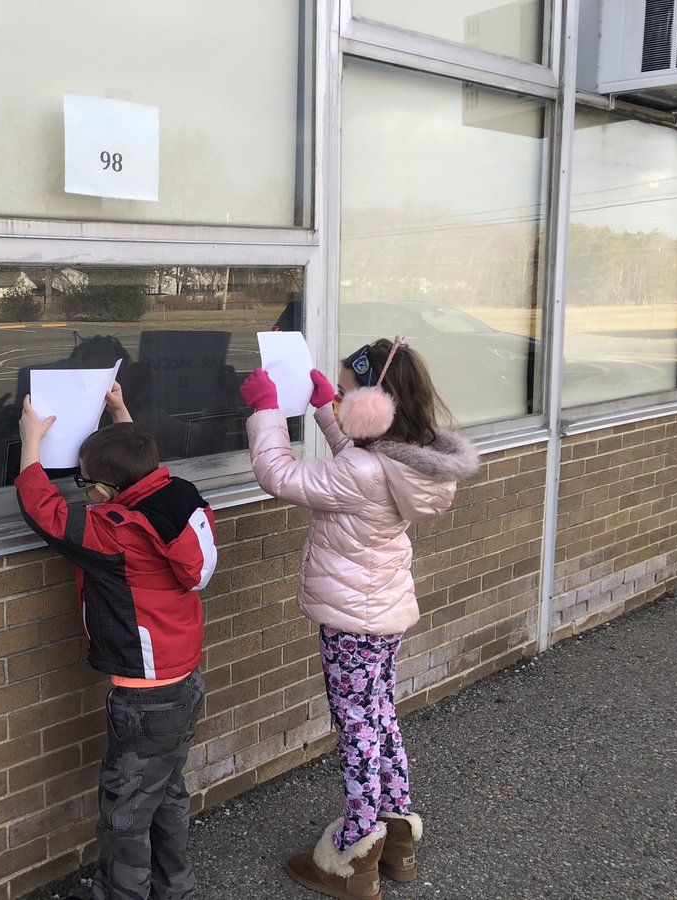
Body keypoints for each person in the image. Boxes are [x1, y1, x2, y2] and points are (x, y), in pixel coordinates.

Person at [240, 338, 479, 900]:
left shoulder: (364, 471)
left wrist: (265, 410)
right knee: (378, 717)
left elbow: (280, 475)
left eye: (347, 395)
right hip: (384, 613)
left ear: (376, 405)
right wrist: (326, 409)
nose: (342, 404)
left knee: (356, 731)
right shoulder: (404, 459)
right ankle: (396, 837)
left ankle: (354, 855)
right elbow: (360, 453)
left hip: (352, 622)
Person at [15, 382, 217, 900]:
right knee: (165, 791)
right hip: (185, 679)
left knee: (125, 807)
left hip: (145, 694)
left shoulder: (116, 533)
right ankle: (175, 885)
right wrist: (121, 413)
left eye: (85, 486)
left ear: (102, 493)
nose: (83, 493)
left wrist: (30, 445)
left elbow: (49, 514)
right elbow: (142, 466)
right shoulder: (179, 498)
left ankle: (121, 893)